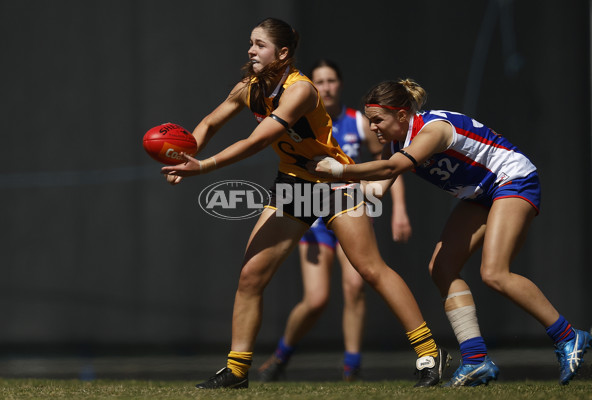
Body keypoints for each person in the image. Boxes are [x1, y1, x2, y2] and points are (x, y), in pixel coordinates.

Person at [161, 19, 449, 389]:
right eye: (250, 43)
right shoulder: (250, 88)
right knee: (251, 276)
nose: (251, 50)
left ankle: (429, 354)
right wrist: (187, 151)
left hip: (334, 182)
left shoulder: (300, 91)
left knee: (370, 270)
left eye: (260, 45)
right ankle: (236, 371)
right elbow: (209, 123)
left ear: (282, 53)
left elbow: (259, 140)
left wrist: (203, 166)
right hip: (294, 184)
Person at [311, 78, 592, 386]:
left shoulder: (433, 130)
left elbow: (391, 170)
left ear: (402, 115)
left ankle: (568, 336)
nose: (374, 127)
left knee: (495, 273)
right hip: (480, 194)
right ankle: (476, 360)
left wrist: (340, 170)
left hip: (512, 179)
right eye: (370, 121)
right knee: (442, 268)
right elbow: (376, 189)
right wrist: (334, 188)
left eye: (378, 120)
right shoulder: (396, 143)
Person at [257, 59, 412, 382]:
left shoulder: (361, 122)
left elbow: (389, 162)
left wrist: (398, 208)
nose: (325, 87)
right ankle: (281, 356)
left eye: (331, 81)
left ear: (339, 84)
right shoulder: (300, 119)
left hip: (349, 207)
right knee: (316, 299)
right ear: (309, 87)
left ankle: (351, 367)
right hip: (310, 211)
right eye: (320, 81)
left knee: (357, 283)